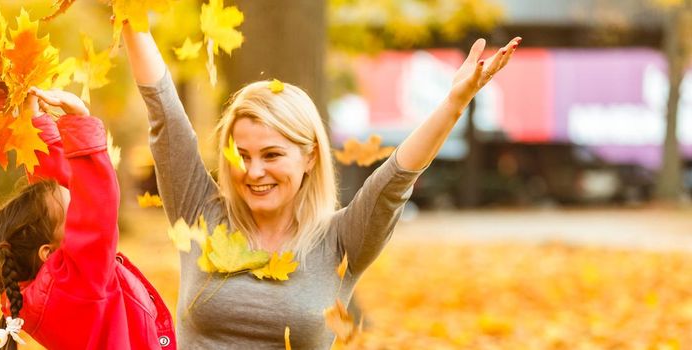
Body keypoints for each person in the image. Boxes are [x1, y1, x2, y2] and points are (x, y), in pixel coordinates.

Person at [123, 22, 520, 348]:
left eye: (272, 155)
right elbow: (165, 113)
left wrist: (454, 103)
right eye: (241, 155)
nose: (254, 170)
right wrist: (130, 15)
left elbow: (398, 176)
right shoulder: (199, 211)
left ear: (310, 156)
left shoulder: (342, 240)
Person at [0, 88, 176, 350]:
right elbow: (96, 208)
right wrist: (79, 120)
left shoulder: (46, 287)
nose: (79, 202)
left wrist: (35, 124)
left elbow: (55, 195)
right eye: (74, 207)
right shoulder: (80, 280)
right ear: (47, 252)